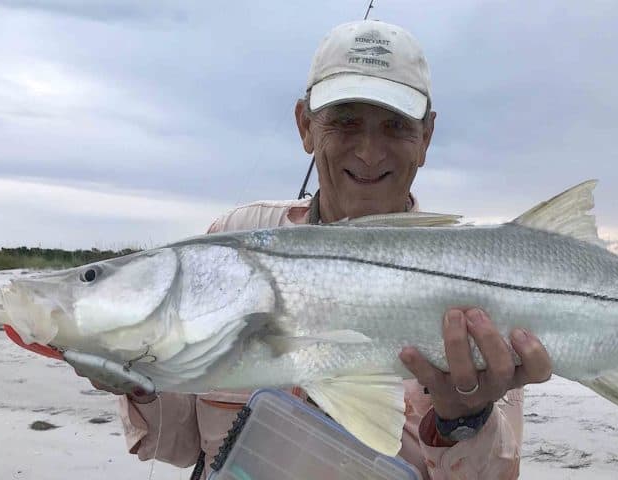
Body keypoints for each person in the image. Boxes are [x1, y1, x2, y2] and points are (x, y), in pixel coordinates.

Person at [91, 20, 552, 480]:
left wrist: (463, 420)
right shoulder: (229, 243)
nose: (370, 152)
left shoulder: (477, 279)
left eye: (395, 126)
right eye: (346, 121)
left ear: (426, 138)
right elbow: (175, 443)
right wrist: (139, 382)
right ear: (305, 125)